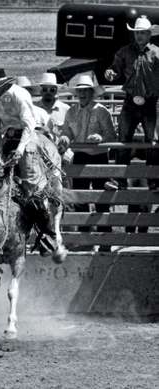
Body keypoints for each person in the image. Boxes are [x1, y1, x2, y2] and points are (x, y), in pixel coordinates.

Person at [0, 68, 68, 263]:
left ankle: (48, 233)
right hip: (7, 139)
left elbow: (28, 125)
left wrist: (19, 151)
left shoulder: (20, 95)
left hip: (28, 140)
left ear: (4, 85)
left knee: (32, 187)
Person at [58, 73, 117, 252]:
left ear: (92, 93)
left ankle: (105, 241)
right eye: (80, 91)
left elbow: (111, 136)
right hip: (80, 156)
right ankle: (85, 241)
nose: (82, 94)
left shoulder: (101, 111)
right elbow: (67, 131)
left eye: (85, 91)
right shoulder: (71, 111)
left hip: (99, 156)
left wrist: (100, 137)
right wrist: (64, 138)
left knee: (101, 200)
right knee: (80, 199)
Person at [104, 15, 159, 190]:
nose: (140, 36)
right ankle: (120, 179)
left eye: (143, 33)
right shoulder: (124, 52)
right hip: (130, 101)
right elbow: (115, 69)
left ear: (149, 34)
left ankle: (153, 180)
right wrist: (110, 73)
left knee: (153, 141)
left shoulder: (157, 53)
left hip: (151, 102)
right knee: (123, 139)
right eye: (137, 33)